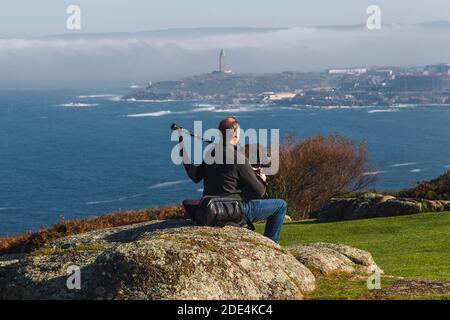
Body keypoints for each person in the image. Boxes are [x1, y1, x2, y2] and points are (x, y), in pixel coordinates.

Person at [180, 117, 287, 243]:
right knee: (281, 205)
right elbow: (260, 192)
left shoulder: (212, 153)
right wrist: (261, 179)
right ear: (236, 134)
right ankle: (272, 246)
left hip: (212, 210)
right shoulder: (239, 158)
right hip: (234, 211)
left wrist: (183, 147)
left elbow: (195, 176)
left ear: (220, 133)